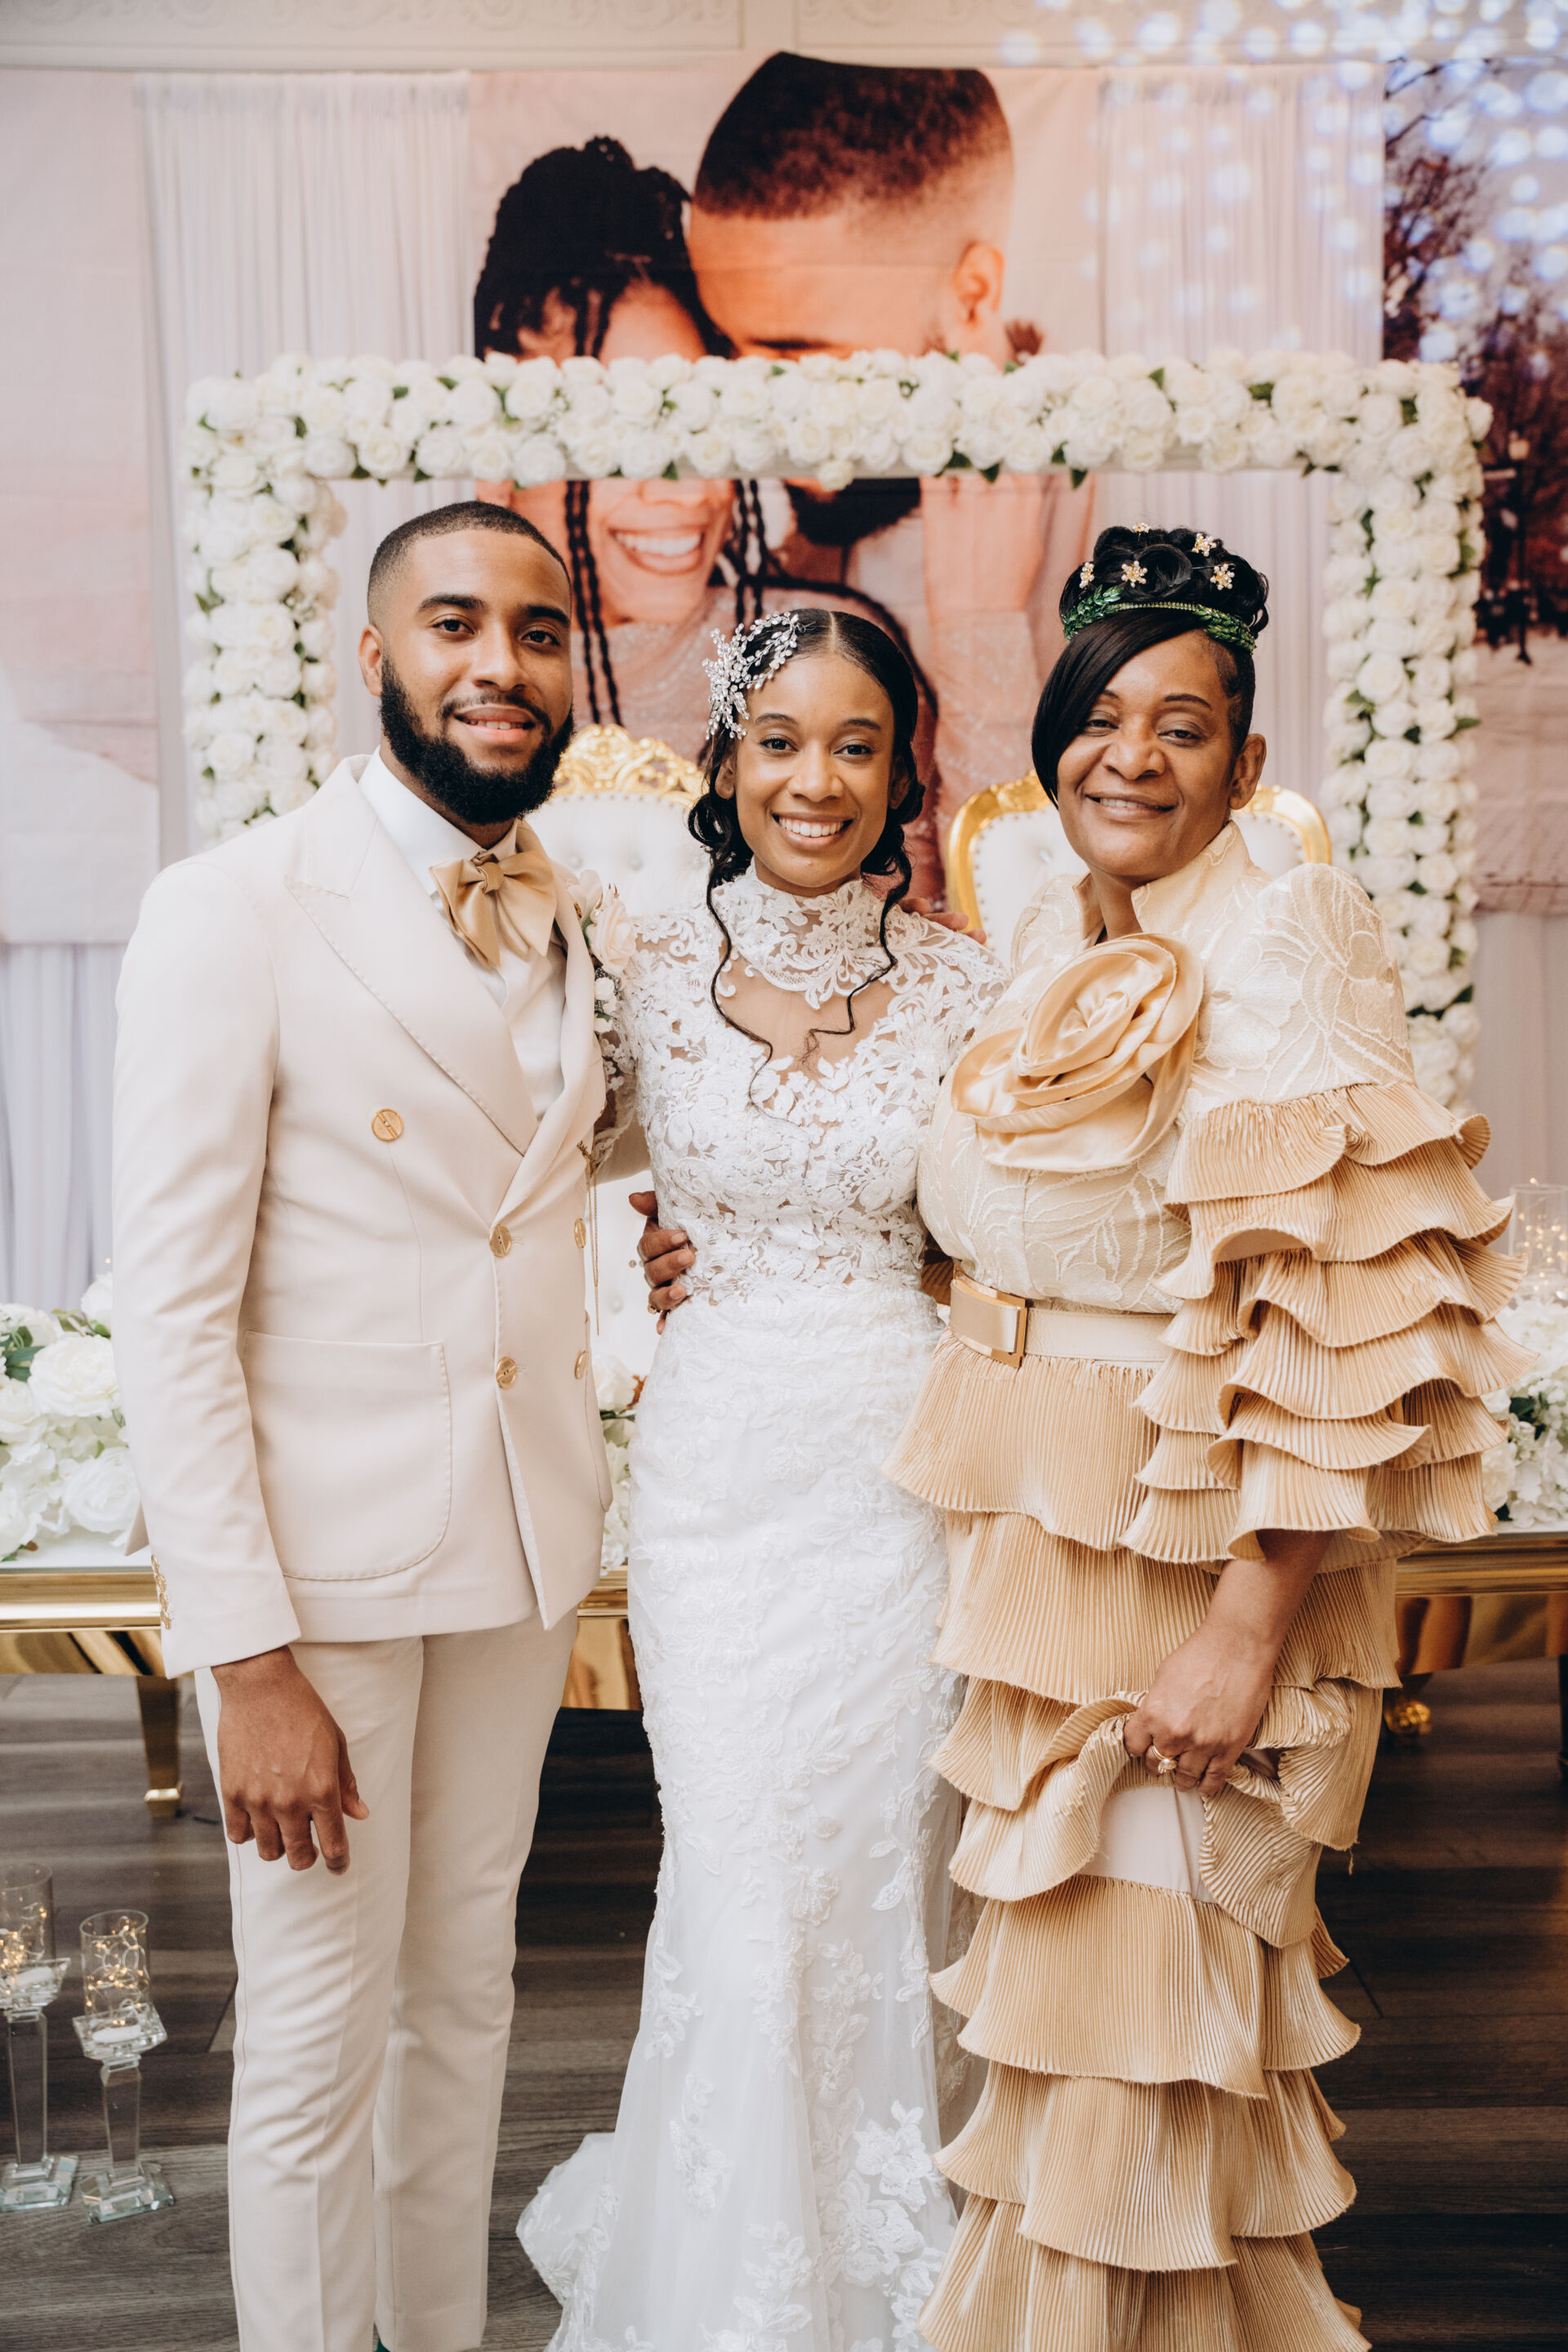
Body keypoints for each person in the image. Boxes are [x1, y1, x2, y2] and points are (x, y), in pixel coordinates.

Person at [879, 526, 1529, 2349]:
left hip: (1182, 1549)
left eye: (1183, 727)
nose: (1133, 757)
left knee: (1143, 2027)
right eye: (1102, 718)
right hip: (1038, 1535)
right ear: (1051, 741)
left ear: (1246, 764)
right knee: (1079, 2026)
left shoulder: (1283, 929)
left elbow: (1329, 1303)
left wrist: (1247, 1629)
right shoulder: (1056, 930)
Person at [113, 502, 612, 2352]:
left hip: (518, 1542)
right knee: (318, 2030)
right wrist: (243, 1658)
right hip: (318, 1582)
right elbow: (170, 1312)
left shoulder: (568, 908)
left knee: (464, 1995)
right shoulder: (234, 906)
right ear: (376, 655)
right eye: (455, 624)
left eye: (538, 630)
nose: (501, 664)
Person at [518, 607, 1001, 2345]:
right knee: (736, 1873)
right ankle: (736, 2271)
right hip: (718, 1484)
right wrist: (642, 1258)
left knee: (880, 1862)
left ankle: (897, 2237)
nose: (817, 779)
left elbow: (1007, 1225)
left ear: (903, 772)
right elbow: (530, 1173)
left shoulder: (969, 983)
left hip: (898, 1476)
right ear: (724, 764)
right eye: (781, 741)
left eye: (858, 745)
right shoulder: (639, 964)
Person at [473, 134, 951, 898]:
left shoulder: (825, 649)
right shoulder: (467, 679)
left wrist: (985, 617)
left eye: (701, 427)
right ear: (508, 445)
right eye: (624, 437)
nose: (688, 491)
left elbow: (940, 917)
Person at [688, 51, 1096, 841]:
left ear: (971, 295)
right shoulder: (783, 517)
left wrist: (985, 634)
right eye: (727, 347)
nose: (753, 406)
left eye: (797, 353)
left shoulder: (1117, 513)